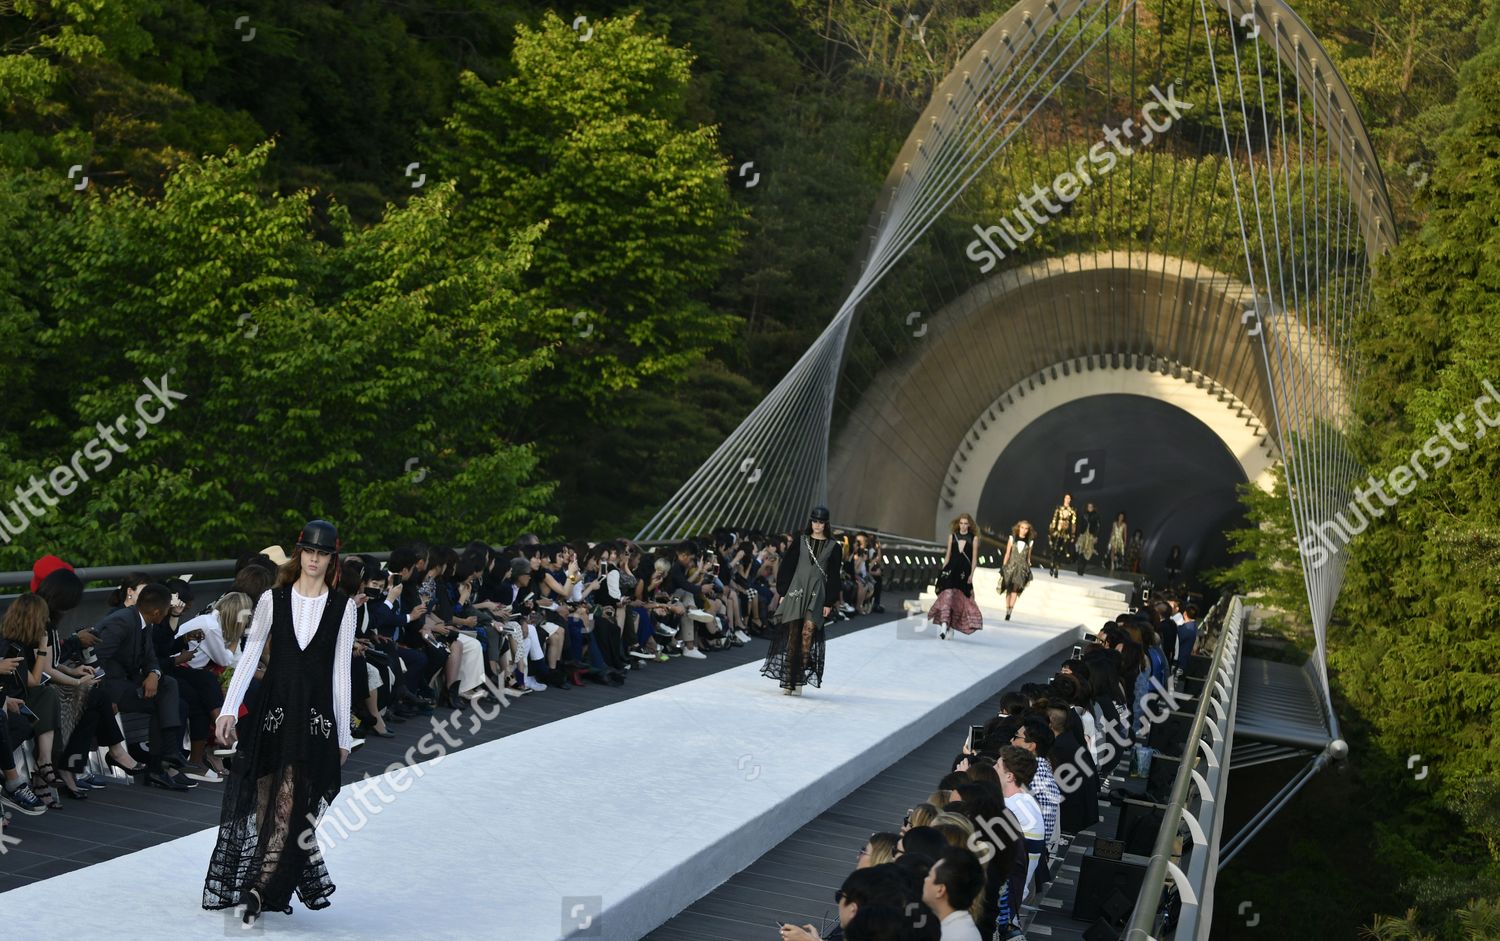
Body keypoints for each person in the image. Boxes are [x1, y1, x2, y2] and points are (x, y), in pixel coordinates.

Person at [204, 519, 355, 926]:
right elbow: (250, 656)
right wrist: (230, 709)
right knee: (265, 800)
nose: (314, 559)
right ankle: (263, 879)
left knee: (290, 802)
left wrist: (344, 735)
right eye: (309, 551)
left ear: (331, 559)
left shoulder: (345, 607)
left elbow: (341, 675)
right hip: (273, 710)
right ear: (299, 553)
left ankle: (259, 888)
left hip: (314, 716)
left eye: (322, 554)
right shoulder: (273, 599)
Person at [93, 582, 193, 790]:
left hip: (127, 682)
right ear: (158, 612)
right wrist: (107, 698)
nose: (167, 614)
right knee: (164, 699)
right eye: (166, 611)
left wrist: (154, 674)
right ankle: (162, 762)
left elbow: (151, 658)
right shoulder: (121, 622)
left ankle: (165, 757)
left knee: (167, 686)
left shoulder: (145, 622)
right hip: (110, 686)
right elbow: (96, 659)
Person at [763, 505, 842, 696]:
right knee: (793, 634)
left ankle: (798, 675)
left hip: (818, 593)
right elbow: (788, 565)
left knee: (808, 633)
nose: (817, 525)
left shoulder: (834, 547)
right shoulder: (801, 541)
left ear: (826, 524)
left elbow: (833, 575)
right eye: (815, 521)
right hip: (797, 590)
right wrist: (782, 591)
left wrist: (829, 602)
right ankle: (789, 679)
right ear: (811, 521)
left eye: (821, 522)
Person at [928, 513, 983, 640]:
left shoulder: (973, 539)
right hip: (951, 569)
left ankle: (951, 627)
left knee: (958, 601)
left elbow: (974, 559)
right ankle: (943, 626)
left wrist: (971, 575)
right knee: (947, 596)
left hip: (963, 573)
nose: (963, 526)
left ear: (969, 525)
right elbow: (948, 555)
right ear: (958, 524)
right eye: (961, 523)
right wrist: (943, 570)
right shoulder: (952, 537)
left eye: (965, 523)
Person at [923, 847, 986, 941]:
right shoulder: (955, 928)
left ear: (940, 890)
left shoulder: (953, 936)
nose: (925, 879)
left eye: (929, 875)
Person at [999, 521, 1035, 621]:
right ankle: (1007, 608)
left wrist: (1028, 567)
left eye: (1026, 528)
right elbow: (1007, 553)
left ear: (1028, 530)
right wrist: (1003, 566)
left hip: (1021, 568)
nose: (1024, 530)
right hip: (1011, 566)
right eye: (1022, 527)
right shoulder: (1012, 538)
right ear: (1018, 528)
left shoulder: (1030, 542)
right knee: (1008, 588)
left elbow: (1028, 557)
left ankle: (1010, 611)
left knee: (1015, 589)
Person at [1046, 493, 1077, 578]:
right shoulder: (1059, 508)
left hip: (1066, 533)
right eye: (1066, 498)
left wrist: (1073, 535)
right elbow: (1054, 519)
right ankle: (1052, 564)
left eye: (1069, 498)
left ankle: (1056, 567)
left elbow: (1073, 523)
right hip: (1057, 531)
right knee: (1054, 549)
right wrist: (1051, 530)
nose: (1067, 499)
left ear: (1070, 500)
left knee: (1061, 550)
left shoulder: (1072, 510)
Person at [1075, 501, 1100, 576]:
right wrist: (1078, 534)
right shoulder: (1083, 515)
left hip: (1091, 536)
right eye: (1089, 506)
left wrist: (1096, 536)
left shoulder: (1096, 516)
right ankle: (1080, 567)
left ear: (1093, 508)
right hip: (1083, 535)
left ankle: (1083, 568)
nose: (1090, 508)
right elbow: (1079, 524)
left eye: (1091, 507)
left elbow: (1098, 526)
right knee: (1080, 550)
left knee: (1088, 552)